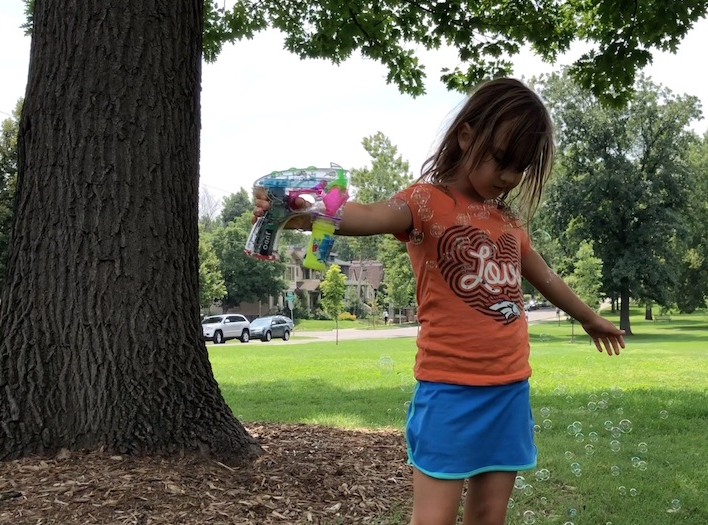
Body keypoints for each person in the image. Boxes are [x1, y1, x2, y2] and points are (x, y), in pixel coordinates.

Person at [253, 77, 625, 525]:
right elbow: (368, 216)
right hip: (448, 390)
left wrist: (589, 318)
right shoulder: (426, 202)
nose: (509, 177)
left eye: (520, 168)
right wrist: (299, 211)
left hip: (509, 389)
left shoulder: (506, 220)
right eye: (503, 160)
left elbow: (545, 276)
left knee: (489, 518)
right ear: (467, 136)